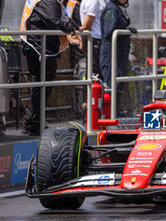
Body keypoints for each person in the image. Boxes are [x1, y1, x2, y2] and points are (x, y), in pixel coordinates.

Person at [20, 0, 79, 135]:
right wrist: (71, 27)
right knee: (41, 85)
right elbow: (54, 21)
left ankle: (34, 120)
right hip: (40, 47)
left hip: (41, 46)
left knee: (42, 84)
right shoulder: (48, 1)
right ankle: (32, 122)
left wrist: (71, 26)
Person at [100, 0, 134, 116]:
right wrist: (125, 30)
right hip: (111, 53)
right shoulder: (111, 9)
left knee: (119, 84)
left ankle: (115, 114)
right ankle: (109, 115)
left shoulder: (118, 8)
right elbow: (109, 31)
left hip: (119, 54)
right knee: (111, 85)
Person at [79, 0, 108, 77]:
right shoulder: (93, 1)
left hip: (100, 39)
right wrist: (82, 41)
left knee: (101, 70)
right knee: (94, 71)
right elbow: (87, 24)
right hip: (95, 39)